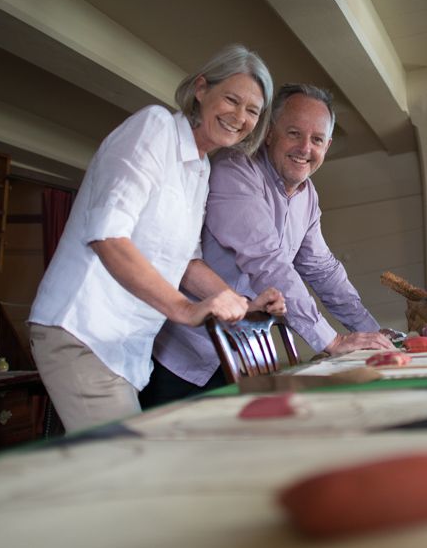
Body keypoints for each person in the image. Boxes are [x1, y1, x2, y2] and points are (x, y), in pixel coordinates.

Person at [27, 45, 286, 433]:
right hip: (82, 329)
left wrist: (244, 305)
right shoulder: (154, 128)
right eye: (232, 99)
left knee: (117, 473)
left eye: (253, 110)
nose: (240, 117)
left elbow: (185, 263)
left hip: (125, 348)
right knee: (126, 472)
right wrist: (183, 309)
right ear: (201, 89)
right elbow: (107, 235)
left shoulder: (199, 168)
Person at [142, 83, 394, 406]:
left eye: (317, 139)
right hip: (181, 357)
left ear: (327, 146)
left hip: (242, 358)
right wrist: (332, 339)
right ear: (270, 132)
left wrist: (376, 334)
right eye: (294, 133)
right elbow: (268, 263)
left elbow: (324, 270)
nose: (305, 148)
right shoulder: (235, 169)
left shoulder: (308, 196)